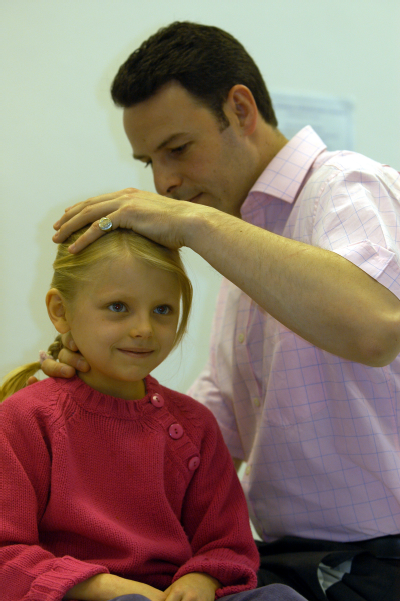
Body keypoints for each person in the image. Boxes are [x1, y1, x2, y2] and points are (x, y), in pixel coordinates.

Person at [36, 22, 400, 601]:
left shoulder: (347, 186)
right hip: (290, 561)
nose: (165, 182)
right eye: (148, 161)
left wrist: (193, 223)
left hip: (376, 565)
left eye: (177, 149)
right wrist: (95, 390)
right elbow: (212, 431)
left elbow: (379, 328)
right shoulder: (244, 240)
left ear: (239, 108)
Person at [1, 225, 311, 601]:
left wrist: (202, 579)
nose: (144, 329)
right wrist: (106, 588)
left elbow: (228, 544)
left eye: (163, 310)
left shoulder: (195, 425)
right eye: (119, 307)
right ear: (60, 311)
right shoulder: (22, 420)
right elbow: (7, 556)